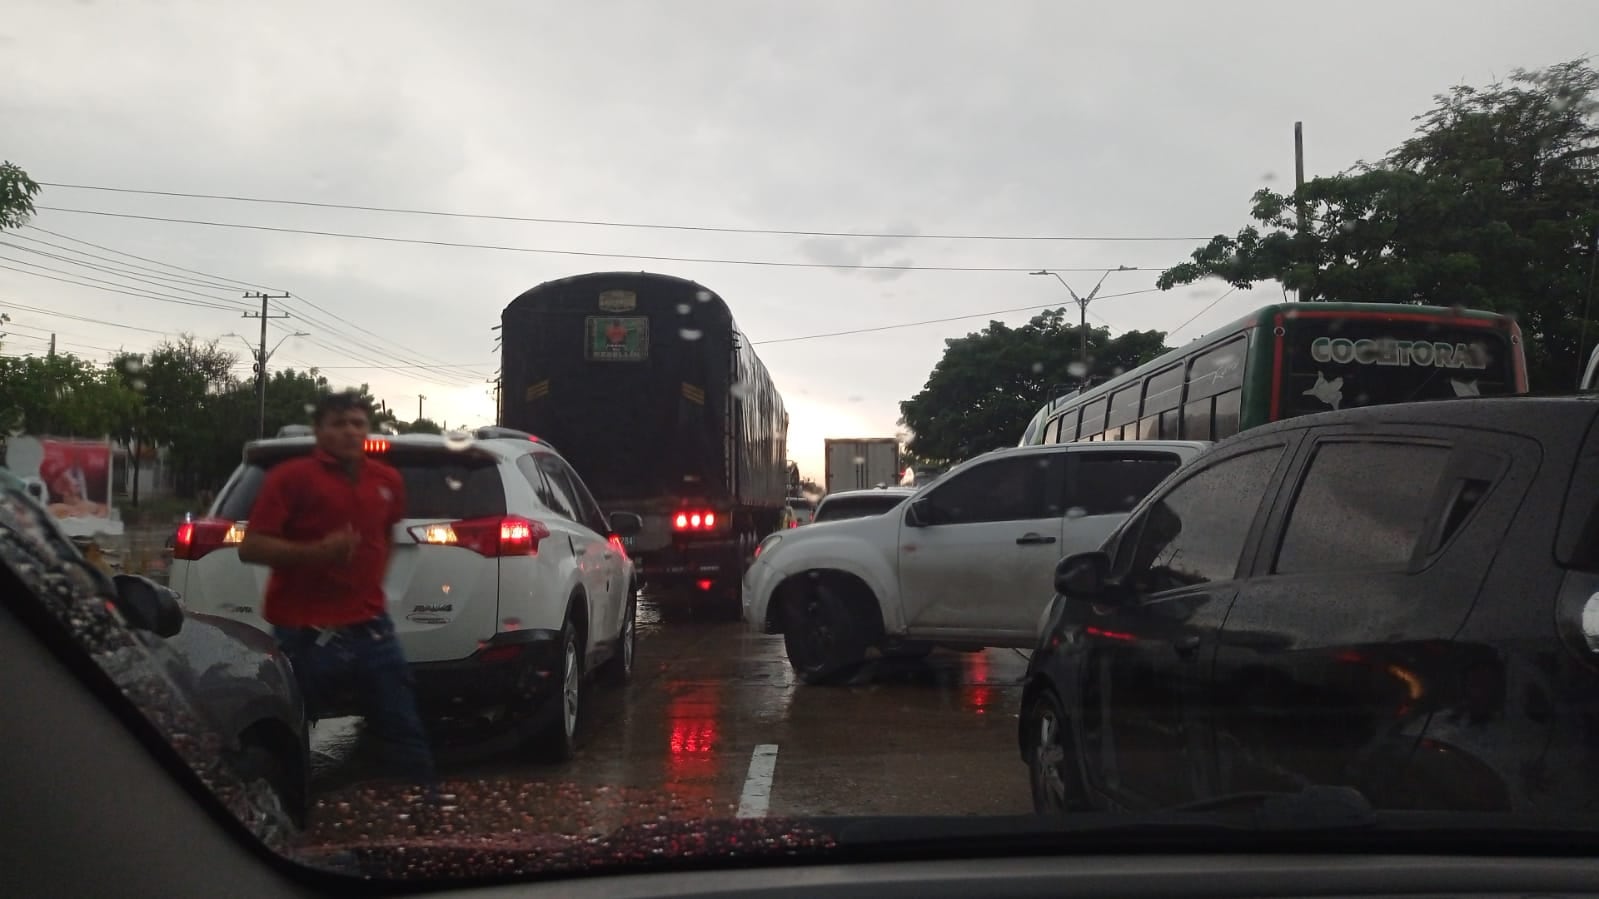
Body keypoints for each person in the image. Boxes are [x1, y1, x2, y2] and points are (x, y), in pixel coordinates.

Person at [237, 391, 435, 784]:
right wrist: (317, 553)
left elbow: (385, 538)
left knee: (403, 726)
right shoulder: (290, 478)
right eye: (338, 423)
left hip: (370, 627)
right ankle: (282, 816)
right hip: (304, 632)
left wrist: (368, 586)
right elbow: (252, 547)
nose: (349, 431)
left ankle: (422, 819)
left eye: (357, 423)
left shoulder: (387, 479)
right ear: (319, 430)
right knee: (289, 730)